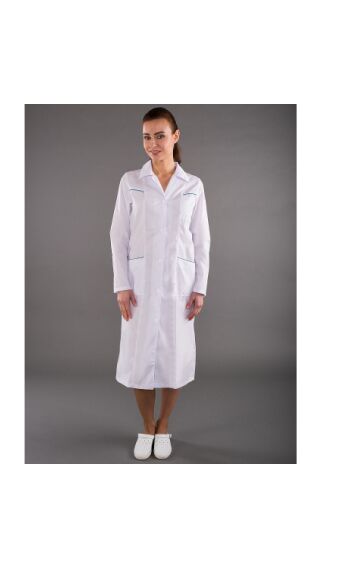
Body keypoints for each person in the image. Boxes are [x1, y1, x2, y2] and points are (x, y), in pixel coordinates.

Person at [109, 107, 211, 460]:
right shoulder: (131, 182)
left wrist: (200, 286)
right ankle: (146, 425)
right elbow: (118, 235)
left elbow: (202, 239)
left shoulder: (192, 186)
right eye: (146, 137)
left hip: (179, 285)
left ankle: (164, 424)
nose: (152, 143)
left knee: (174, 356)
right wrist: (121, 284)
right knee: (139, 357)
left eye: (160, 136)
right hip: (138, 285)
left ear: (175, 136)